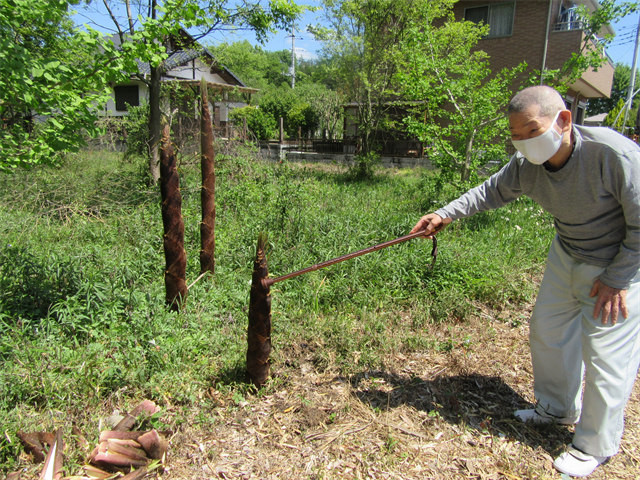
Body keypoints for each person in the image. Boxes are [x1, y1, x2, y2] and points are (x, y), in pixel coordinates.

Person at [411, 85, 640, 477]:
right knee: (547, 330)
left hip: (619, 265)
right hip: (567, 252)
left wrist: (618, 279)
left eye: (531, 131)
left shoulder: (614, 155)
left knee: (605, 357)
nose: (524, 143)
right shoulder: (526, 165)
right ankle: (555, 408)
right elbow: (490, 191)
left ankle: (593, 444)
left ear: (563, 120)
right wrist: (444, 214)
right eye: (515, 136)